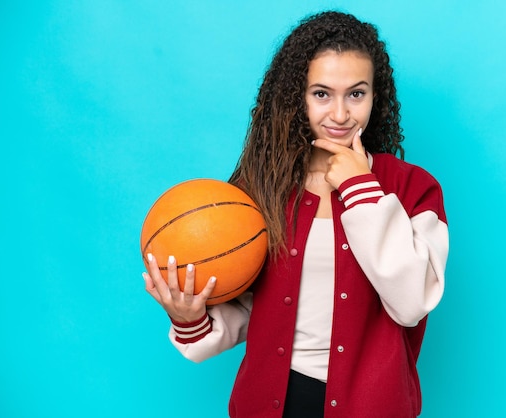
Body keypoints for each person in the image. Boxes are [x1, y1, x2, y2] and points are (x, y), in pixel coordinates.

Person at [143, 10, 449, 418]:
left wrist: (360, 189)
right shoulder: (260, 189)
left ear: (377, 96)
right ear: (296, 97)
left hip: (371, 405)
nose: (340, 115)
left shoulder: (413, 187)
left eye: (356, 94)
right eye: (321, 94)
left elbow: (412, 302)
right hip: (271, 403)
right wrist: (190, 317)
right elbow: (249, 308)